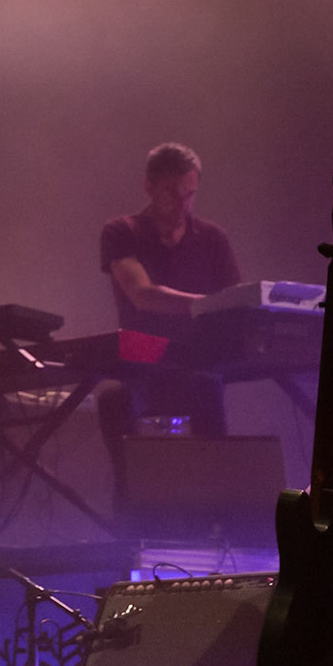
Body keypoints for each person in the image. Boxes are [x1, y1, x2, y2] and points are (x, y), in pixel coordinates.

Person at [95, 143, 241, 466]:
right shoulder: (121, 232)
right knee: (114, 402)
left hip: (197, 359)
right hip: (140, 357)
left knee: (207, 384)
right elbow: (142, 295)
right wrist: (205, 304)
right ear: (148, 186)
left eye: (189, 194)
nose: (182, 203)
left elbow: (233, 303)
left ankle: (214, 502)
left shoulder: (213, 238)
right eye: (171, 192)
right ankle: (133, 502)